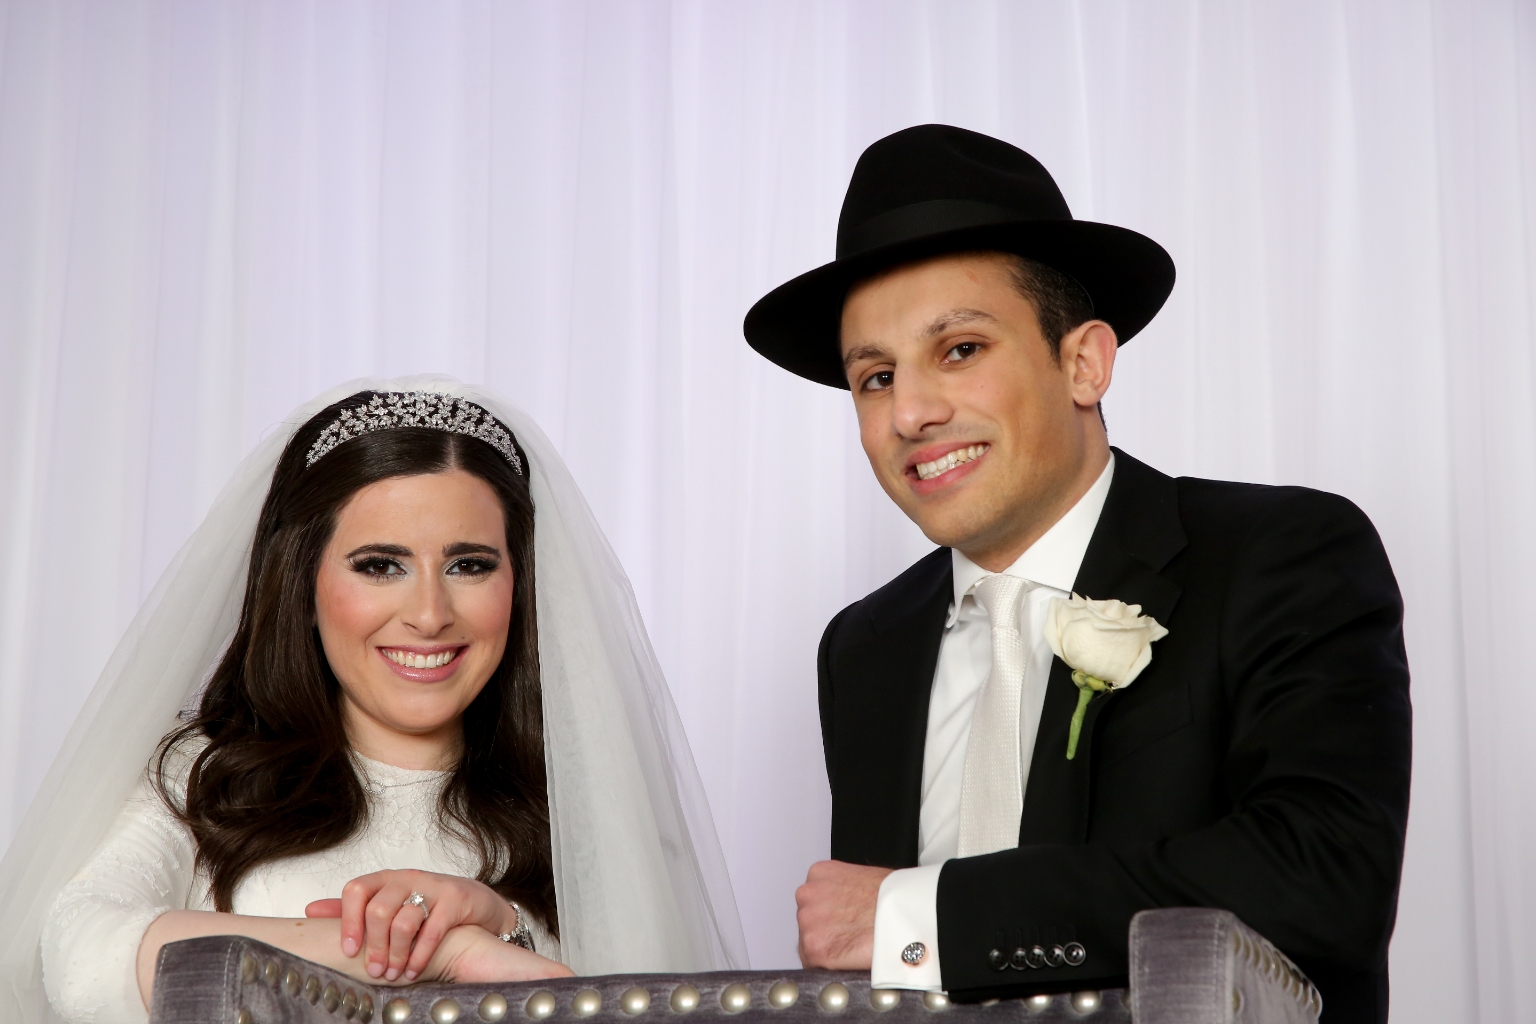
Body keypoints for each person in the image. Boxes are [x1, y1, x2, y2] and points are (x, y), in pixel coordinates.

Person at [745, 125, 1411, 1024]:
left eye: (960, 350)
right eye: (875, 377)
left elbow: (1323, 878)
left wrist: (924, 913)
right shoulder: (865, 648)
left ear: (1084, 362)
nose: (910, 413)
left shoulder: (1279, 554)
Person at [0, 379, 746, 1023]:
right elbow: (76, 953)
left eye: (470, 565)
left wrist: (505, 923)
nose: (429, 614)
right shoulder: (204, 778)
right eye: (381, 565)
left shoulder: (584, 812)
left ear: (522, 585)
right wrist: (435, 953)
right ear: (303, 582)